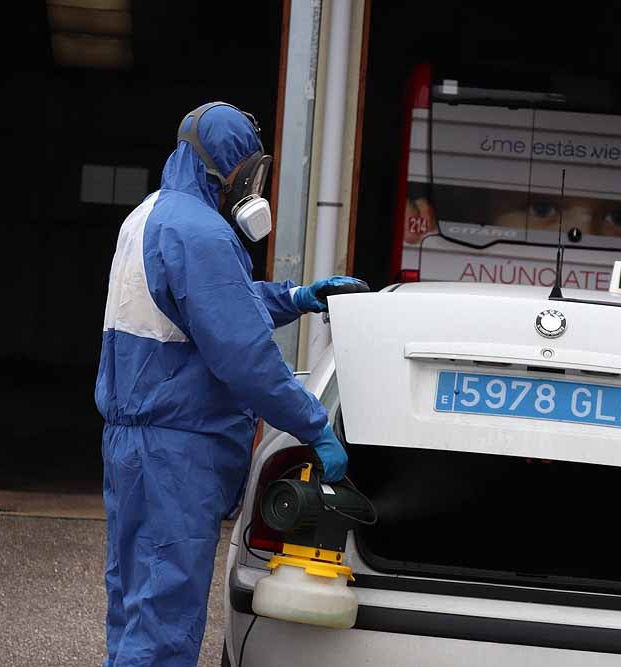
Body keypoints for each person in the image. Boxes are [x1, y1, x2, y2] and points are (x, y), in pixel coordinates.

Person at [95, 101, 367, 667]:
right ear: (229, 169)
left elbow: (209, 312)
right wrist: (314, 425)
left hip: (136, 445)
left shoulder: (150, 216)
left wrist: (293, 297)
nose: (253, 187)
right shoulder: (202, 234)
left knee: (134, 609)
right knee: (164, 625)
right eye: (251, 172)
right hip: (178, 451)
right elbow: (243, 355)